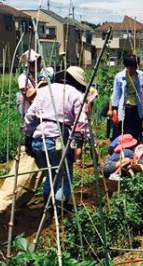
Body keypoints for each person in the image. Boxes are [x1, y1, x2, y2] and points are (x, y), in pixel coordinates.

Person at [24, 66, 91, 206]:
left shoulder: (43, 91)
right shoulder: (75, 94)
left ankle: (48, 206)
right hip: (57, 139)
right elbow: (82, 122)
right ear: (76, 82)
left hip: (38, 141)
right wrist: (84, 140)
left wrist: (28, 138)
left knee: (50, 174)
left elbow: (29, 117)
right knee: (64, 176)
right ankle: (59, 211)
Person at [111, 55, 143, 142]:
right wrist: (114, 110)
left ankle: (136, 147)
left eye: (134, 68)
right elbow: (116, 94)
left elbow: (142, 92)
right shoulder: (119, 76)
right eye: (130, 68)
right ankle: (128, 149)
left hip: (137, 107)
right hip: (126, 107)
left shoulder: (141, 75)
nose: (132, 71)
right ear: (126, 66)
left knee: (137, 131)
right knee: (127, 131)